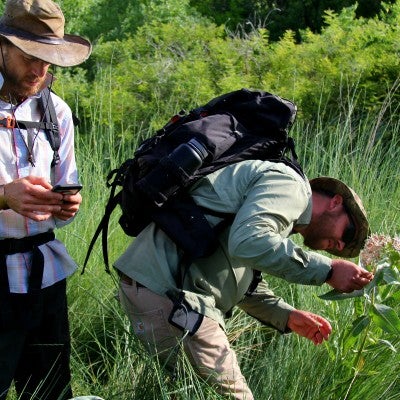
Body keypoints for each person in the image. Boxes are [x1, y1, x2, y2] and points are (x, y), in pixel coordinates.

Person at [115, 155, 374, 399]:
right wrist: (328, 270)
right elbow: (249, 243)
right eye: (348, 233)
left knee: (191, 391)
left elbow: (238, 272)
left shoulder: (278, 208)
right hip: (172, 295)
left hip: (155, 290)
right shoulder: (291, 186)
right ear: (336, 202)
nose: (340, 247)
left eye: (345, 247)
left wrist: (286, 315)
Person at [0, 1, 91, 399]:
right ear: (2, 46)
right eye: (29, 57)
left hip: (44, 275)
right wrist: (4, 197)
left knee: (50, 391)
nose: (39, 71)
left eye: (48, 60)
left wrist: (67, 206)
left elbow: (65, 187)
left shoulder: (57, 112)